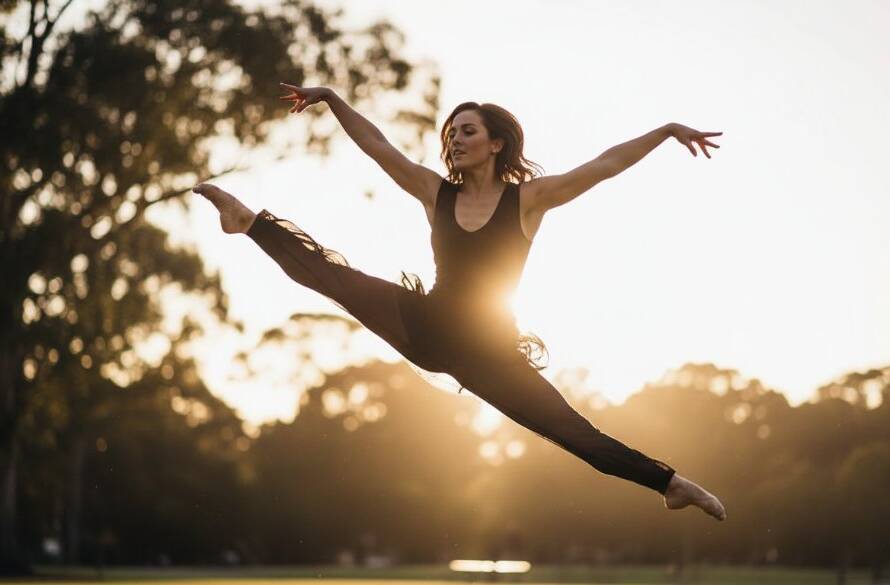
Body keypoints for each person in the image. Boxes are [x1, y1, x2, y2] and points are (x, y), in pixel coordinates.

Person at [193, 83, 727, 521]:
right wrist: (333, 99)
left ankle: (671, 484)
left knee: (574, 434)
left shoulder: (529, 200)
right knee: (336, 279)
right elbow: (379, 147)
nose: (454, 140)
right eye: (450, 134)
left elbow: (605, 163)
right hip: (424, 325)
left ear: (496, 143)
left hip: (490, 355)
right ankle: (248, 223)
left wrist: (664, 132)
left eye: (467, 131)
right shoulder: (435, 193)